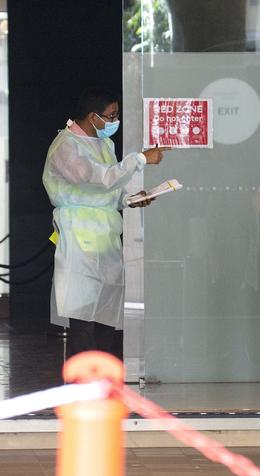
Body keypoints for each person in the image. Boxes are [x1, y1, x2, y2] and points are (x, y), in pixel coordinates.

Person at [43, 87, 170, 358]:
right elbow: (96, 178)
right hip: (78, 237)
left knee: (106, 312)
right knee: (82, 312)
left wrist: (129, 199)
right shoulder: (66, 145)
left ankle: (104, 378)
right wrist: (140, 159)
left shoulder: (105, 144)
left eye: (117, 114)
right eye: (111, 115)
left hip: (106, 238)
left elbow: (108, 190)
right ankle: (84, 383)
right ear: (92, 116)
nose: (114, 121)